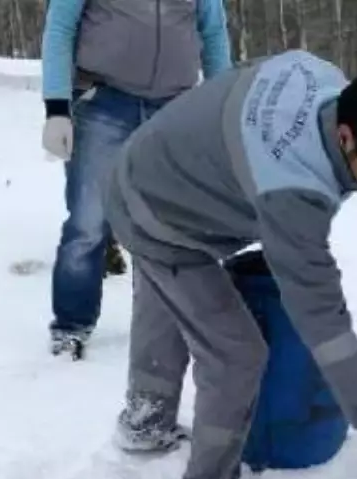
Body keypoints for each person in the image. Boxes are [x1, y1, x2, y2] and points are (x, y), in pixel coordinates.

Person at [102, 49, 357, 479]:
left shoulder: (318, 73)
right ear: (346, 137)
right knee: (236, 354)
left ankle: (147, 419)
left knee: (166, 298)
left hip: (148, 169)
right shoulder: (293, 188)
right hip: (160, 215)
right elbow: (322, 319)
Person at [39, 0, 233, 359]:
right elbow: (60, 27)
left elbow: (213, 32)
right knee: (88, 224)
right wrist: (56, 107)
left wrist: (221, 105)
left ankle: (166, 329)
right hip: (103, 102)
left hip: (175, 107)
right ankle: (71, 327)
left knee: (172, 227)